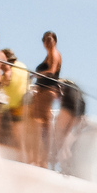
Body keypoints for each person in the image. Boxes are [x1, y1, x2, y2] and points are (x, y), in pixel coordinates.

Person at [25, 30, 63, 167]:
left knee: (44, 127)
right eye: (45, 40)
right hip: (42, 91)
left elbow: (52, 71)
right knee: (39, 125)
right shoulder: (49, 54)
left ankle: (43, 160)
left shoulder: (54, 54)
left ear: (55, 41)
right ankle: (38, 158)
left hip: (47, 92)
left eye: (50, 40)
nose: (48, 42)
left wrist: (36, 74)